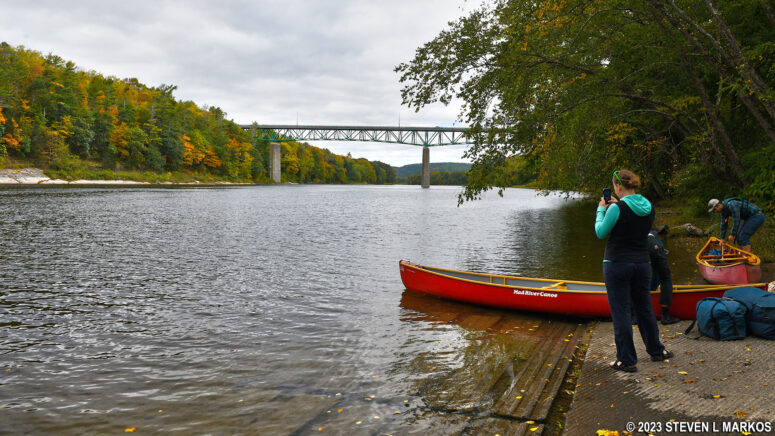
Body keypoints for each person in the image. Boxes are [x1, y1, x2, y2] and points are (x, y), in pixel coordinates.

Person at [595, 170, 673, 372]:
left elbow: (600, 232)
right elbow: (634, 222)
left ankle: (626, 360)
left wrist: (601, 210)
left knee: (621, 311)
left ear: (618, 186)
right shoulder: (648, 206)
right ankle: (657, 350)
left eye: (614, 186)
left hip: (617, 264)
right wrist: (616, 206)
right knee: (644, 308)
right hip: (642, 264)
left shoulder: (617, 208)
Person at [647, 230, 680, 325]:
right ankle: (665, 317)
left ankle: (634, 316)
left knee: (637, 279)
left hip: (638, 246)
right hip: (652, 244)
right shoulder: (650, 230)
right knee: (666, 279)